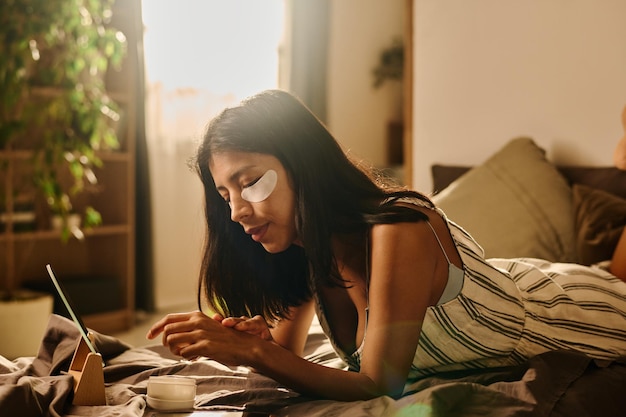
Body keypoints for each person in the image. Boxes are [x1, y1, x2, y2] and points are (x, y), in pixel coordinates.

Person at [147, 90, 626, 401]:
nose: (235, 211)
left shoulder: (401, 228)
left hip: (567, 313)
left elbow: (379, 384)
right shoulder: (302, 246)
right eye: (224, 195)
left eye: (249, 183)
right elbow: (283, 349)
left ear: (304, 166)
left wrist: (256, 354)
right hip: (515, 284)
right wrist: (247, 342)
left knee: (616, 282)